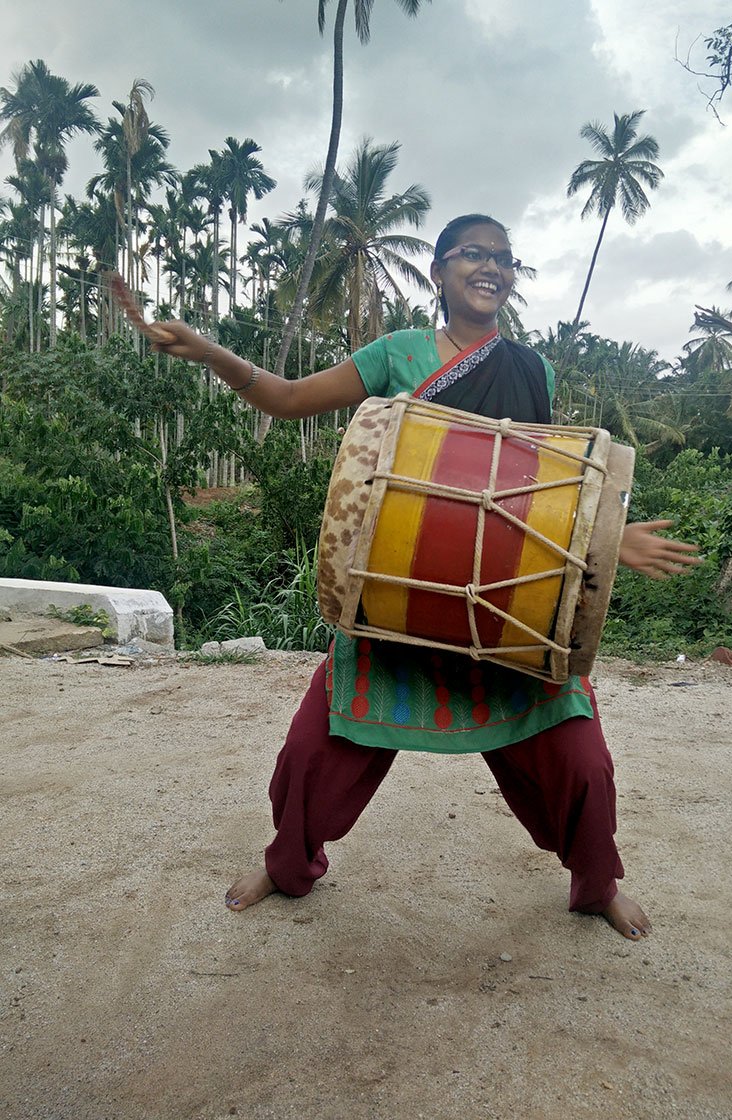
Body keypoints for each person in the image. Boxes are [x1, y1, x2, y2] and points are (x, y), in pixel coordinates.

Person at [117, 214, 700, 940]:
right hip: (396, 604)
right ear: (439, 271)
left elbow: (546, 492)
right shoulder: (396, 353)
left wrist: (610, 541)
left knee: (582, 762)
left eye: (504, 259)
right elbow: (288, 398)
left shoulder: (532, 369)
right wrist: (211, 354)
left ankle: (595, 882)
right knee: (310, 752)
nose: (492, 267)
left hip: (500, 613)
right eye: (474, 255)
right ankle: (289, 863)